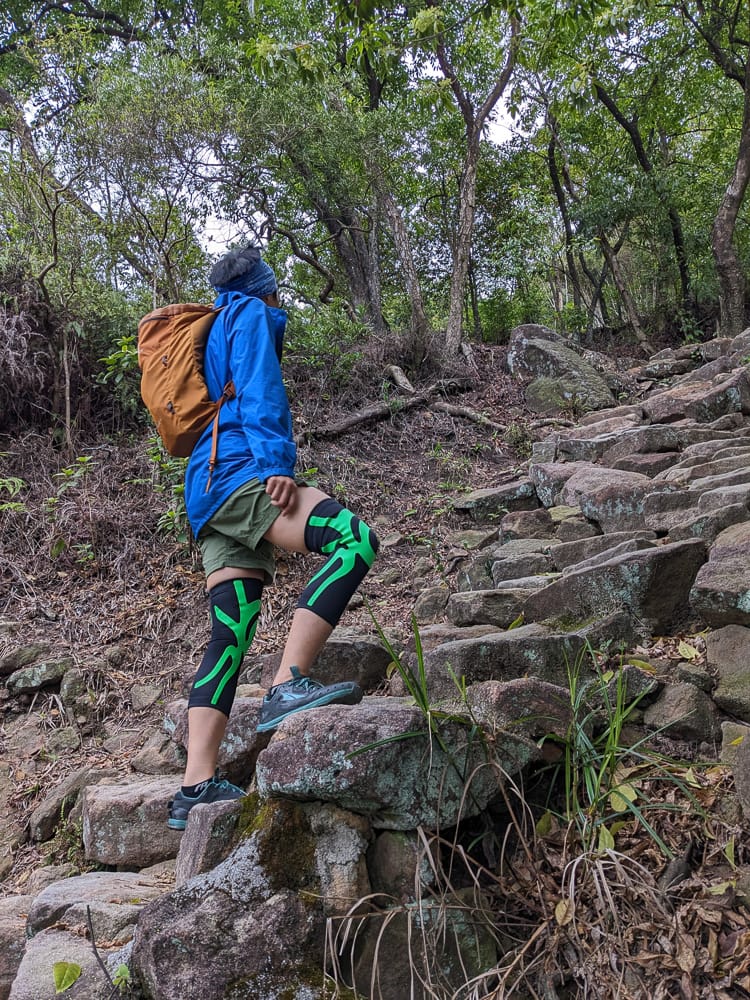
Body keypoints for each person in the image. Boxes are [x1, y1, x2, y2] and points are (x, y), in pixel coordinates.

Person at [167, 246, 379, 831]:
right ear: (265, 286)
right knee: (353, 538)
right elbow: (260, 389)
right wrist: (276, 464)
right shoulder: (249, 314)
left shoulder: (211, 326)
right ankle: (287, 684)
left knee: (229, 633)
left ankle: (194, 787)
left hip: (206, 493)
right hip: (242, 474)